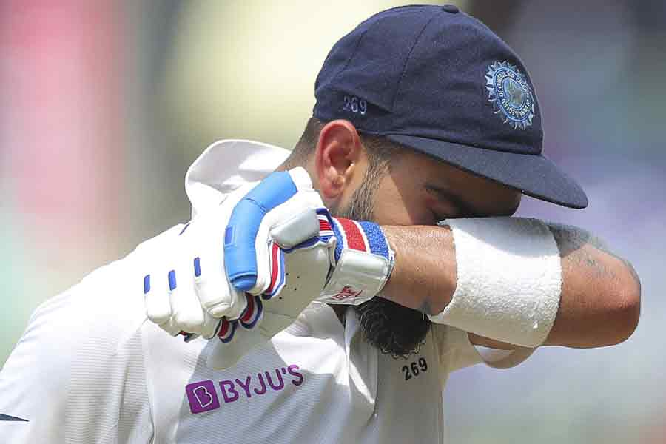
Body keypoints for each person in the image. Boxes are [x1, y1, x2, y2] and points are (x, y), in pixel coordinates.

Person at [0, 5, 640, 443]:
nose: (457, 248)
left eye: (487, 228)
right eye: (445, 215)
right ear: (339, 158)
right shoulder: (114, 326)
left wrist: (346, 254)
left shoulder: (431, 299)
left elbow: (615, 298)